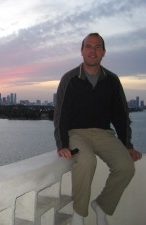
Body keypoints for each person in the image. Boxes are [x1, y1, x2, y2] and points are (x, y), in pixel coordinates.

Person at [53, 33, 142, 225]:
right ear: (82, 51)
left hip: (104, 133)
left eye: (97, 47)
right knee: (86, 161)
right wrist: (62, 144)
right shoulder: (69, 79)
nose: (93, 51)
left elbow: (120, 115)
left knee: (126, 166)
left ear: (103, 52)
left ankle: (101, 205)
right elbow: (61, 115)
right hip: (77, 133)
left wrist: (127, 145)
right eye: (88, 46)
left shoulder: (111, 80)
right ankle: (79, 215)